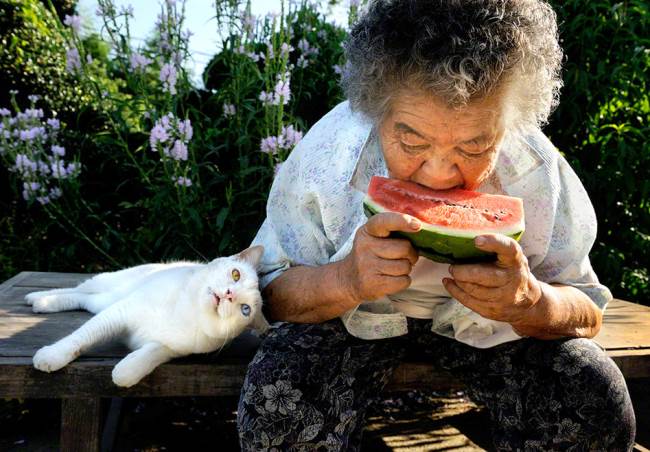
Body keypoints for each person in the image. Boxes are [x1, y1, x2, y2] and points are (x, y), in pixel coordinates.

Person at [237, 0, 636, 450]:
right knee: (279, 402)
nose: (439, 174)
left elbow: (586, 309)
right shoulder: (330, 157)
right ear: (374, 109)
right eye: (411, 140)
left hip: (493, 332)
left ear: (510, 125)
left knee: (591, 396)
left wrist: (531, 302)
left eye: (474, 145)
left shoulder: (535, 170)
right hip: (348, 322)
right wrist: (344, 279)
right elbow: (267, 294)